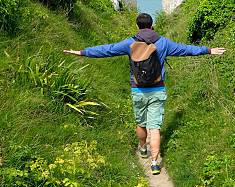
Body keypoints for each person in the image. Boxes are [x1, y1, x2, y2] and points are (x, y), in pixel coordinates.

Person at [64, 13, 225, 174]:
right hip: (157, 89)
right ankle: (155, 163)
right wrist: (208, 50)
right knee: (154, 127)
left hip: (138, 90)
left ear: (137, 26)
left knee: (141, 123)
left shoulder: (130, 43)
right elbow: (186, 49)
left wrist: (82, 52)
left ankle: (142, 148)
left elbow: (107, 50)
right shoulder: (163, 43)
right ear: (152, 25)